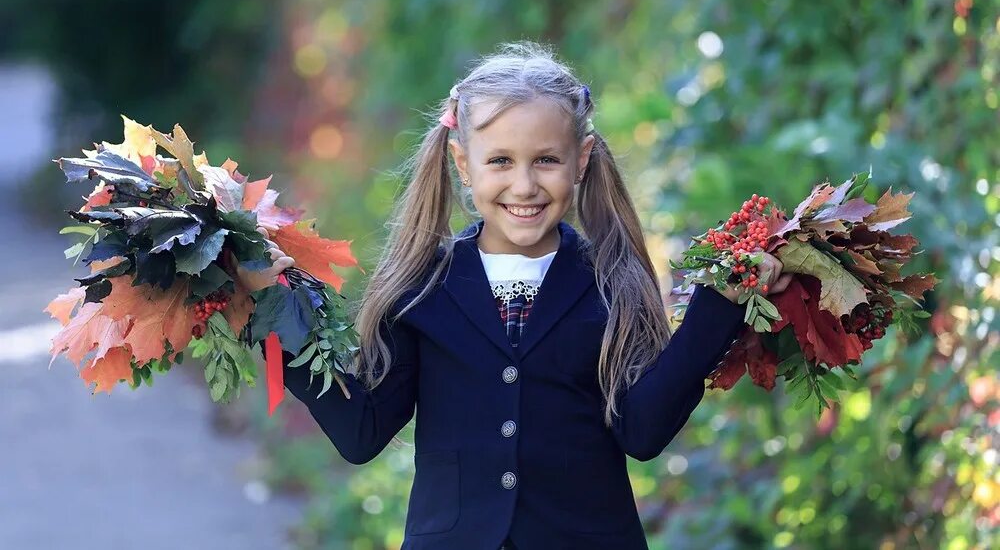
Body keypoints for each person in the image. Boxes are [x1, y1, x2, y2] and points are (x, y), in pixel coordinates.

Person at [234, 41, 791, 550]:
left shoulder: (613, 282)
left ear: (581, 159)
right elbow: (360, 432)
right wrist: (274, 309)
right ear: (463, 163)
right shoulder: (420, 288)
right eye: (500, 160)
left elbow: (642, 433)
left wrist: (719, 305)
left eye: (546, 159)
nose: (524, 185)